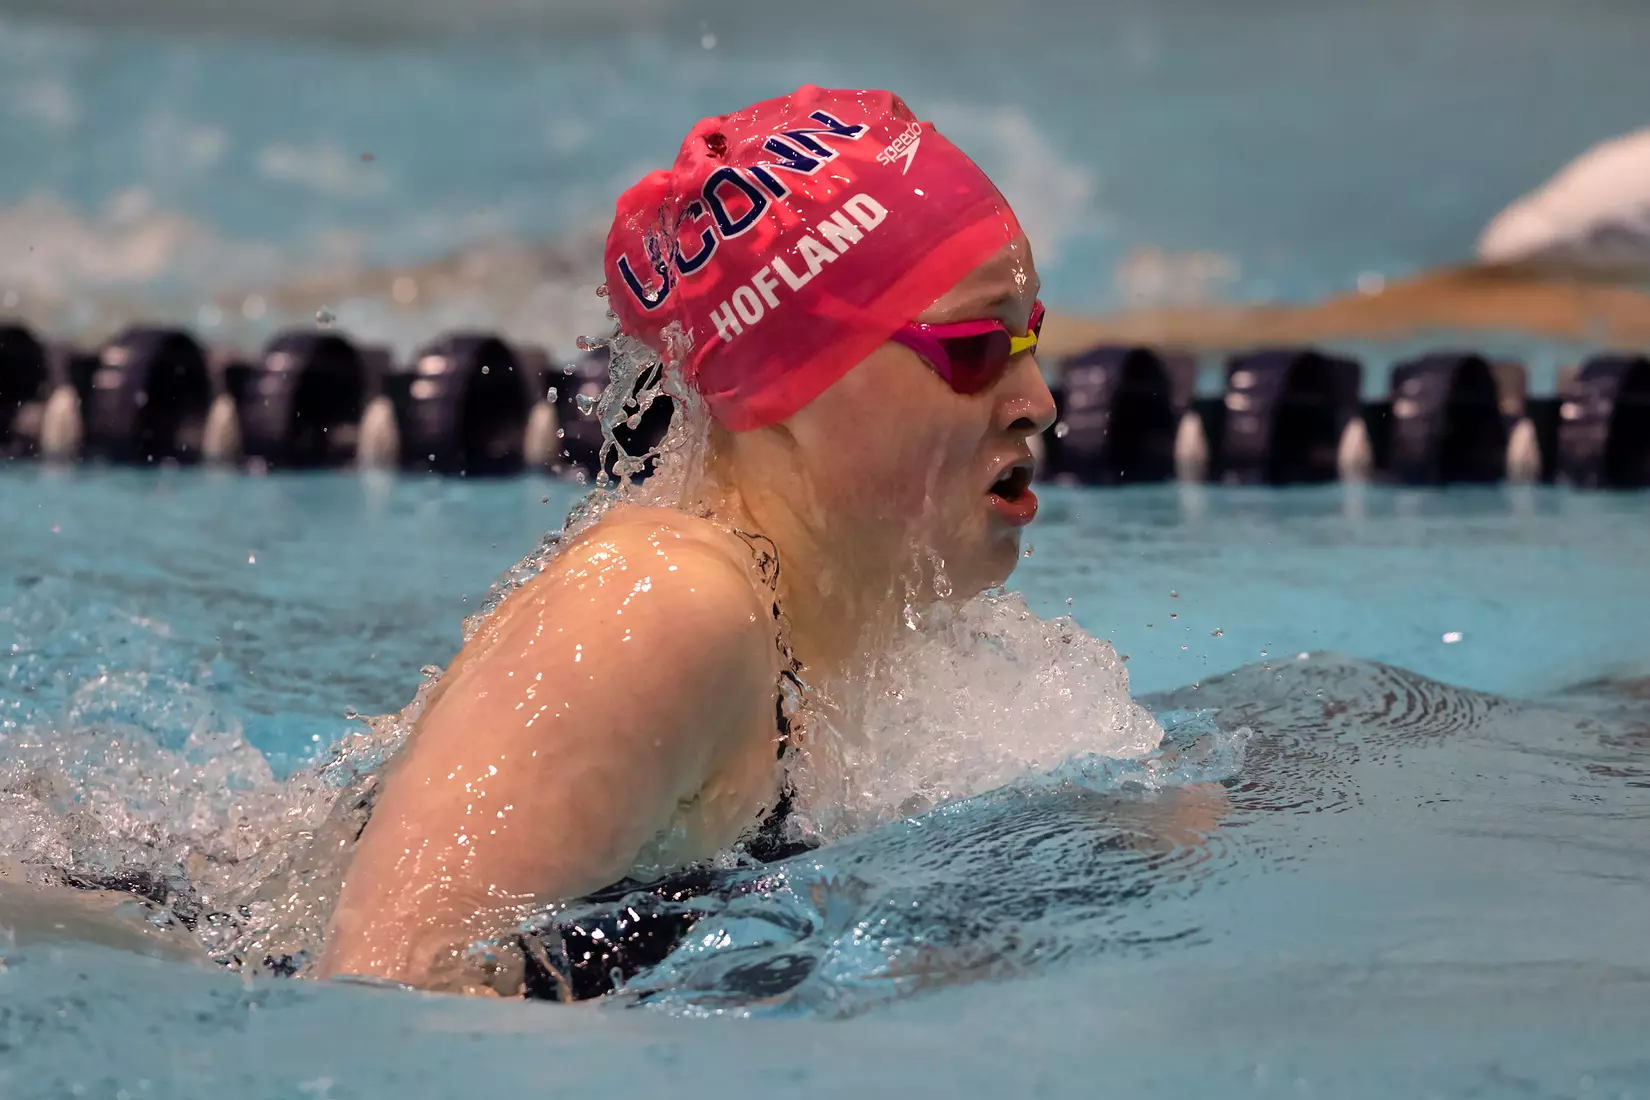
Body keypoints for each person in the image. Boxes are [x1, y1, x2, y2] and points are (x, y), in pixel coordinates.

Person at [321, 85, 1057, 995]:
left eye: (1032, 337)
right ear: (787, 377)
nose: (1038, 403)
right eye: (977, 347)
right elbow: (383, 991)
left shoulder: (866, 637)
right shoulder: (661, 607)